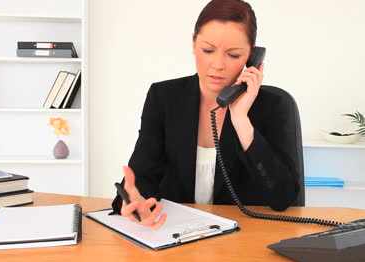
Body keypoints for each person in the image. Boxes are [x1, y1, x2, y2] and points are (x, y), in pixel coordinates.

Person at [112, 0, 300, 230]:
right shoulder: (164, 97)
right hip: (174, 235)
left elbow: (283, 198)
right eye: (208, 50)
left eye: (233, 54)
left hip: (243, 241)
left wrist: (241, 120)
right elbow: (141, 176)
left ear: (252, 58)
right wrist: (134, 200)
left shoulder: (272, 106)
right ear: (193, 44)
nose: (217, 64)